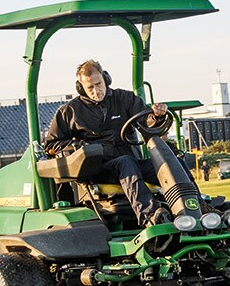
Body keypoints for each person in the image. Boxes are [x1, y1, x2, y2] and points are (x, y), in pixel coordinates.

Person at [43, 60, 171, 226]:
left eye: (99, 84)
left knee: (168, 162)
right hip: (99, 169)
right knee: (126, 162)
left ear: (106, 79)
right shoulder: (70, 111)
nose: (96, 91)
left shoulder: (125, 99)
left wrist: (157, 116)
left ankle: (197, 206)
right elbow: (52, 145)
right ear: (81, 88)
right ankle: (150, 215)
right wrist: (81, 147)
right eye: (90, 88)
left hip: (132, 164)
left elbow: (148, 122)